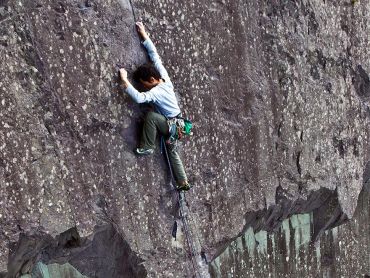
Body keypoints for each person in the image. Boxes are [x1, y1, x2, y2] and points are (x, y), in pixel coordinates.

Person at [119, 22, 191, 191]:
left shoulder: (156, 91)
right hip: (178, 125)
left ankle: (147, 146)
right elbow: (155, 56)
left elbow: (139, 98)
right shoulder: (163, 77)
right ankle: (182, 182)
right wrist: (144, 36)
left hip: (172, 125)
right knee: (171, 152)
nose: (145, 87)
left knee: (151, 117)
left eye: (145, 84)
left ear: (152, 80)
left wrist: (125, 81)